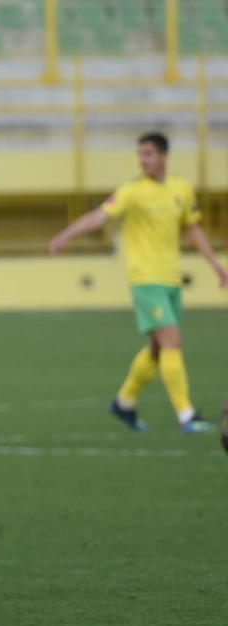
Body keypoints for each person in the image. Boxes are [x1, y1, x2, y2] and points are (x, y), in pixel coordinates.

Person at [49, 131, 227, 434]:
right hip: (145, 280)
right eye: (140, 154)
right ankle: (186, 415)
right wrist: (66, 235)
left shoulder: (181, 189)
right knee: (172, 341)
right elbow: (99, 217)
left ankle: (124, 402)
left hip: (171, 280)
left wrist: (215, 264)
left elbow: (192, 228)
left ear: (163, 156)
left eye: (148, 154)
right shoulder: (132, 191)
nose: (143, 160)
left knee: (158, 349)